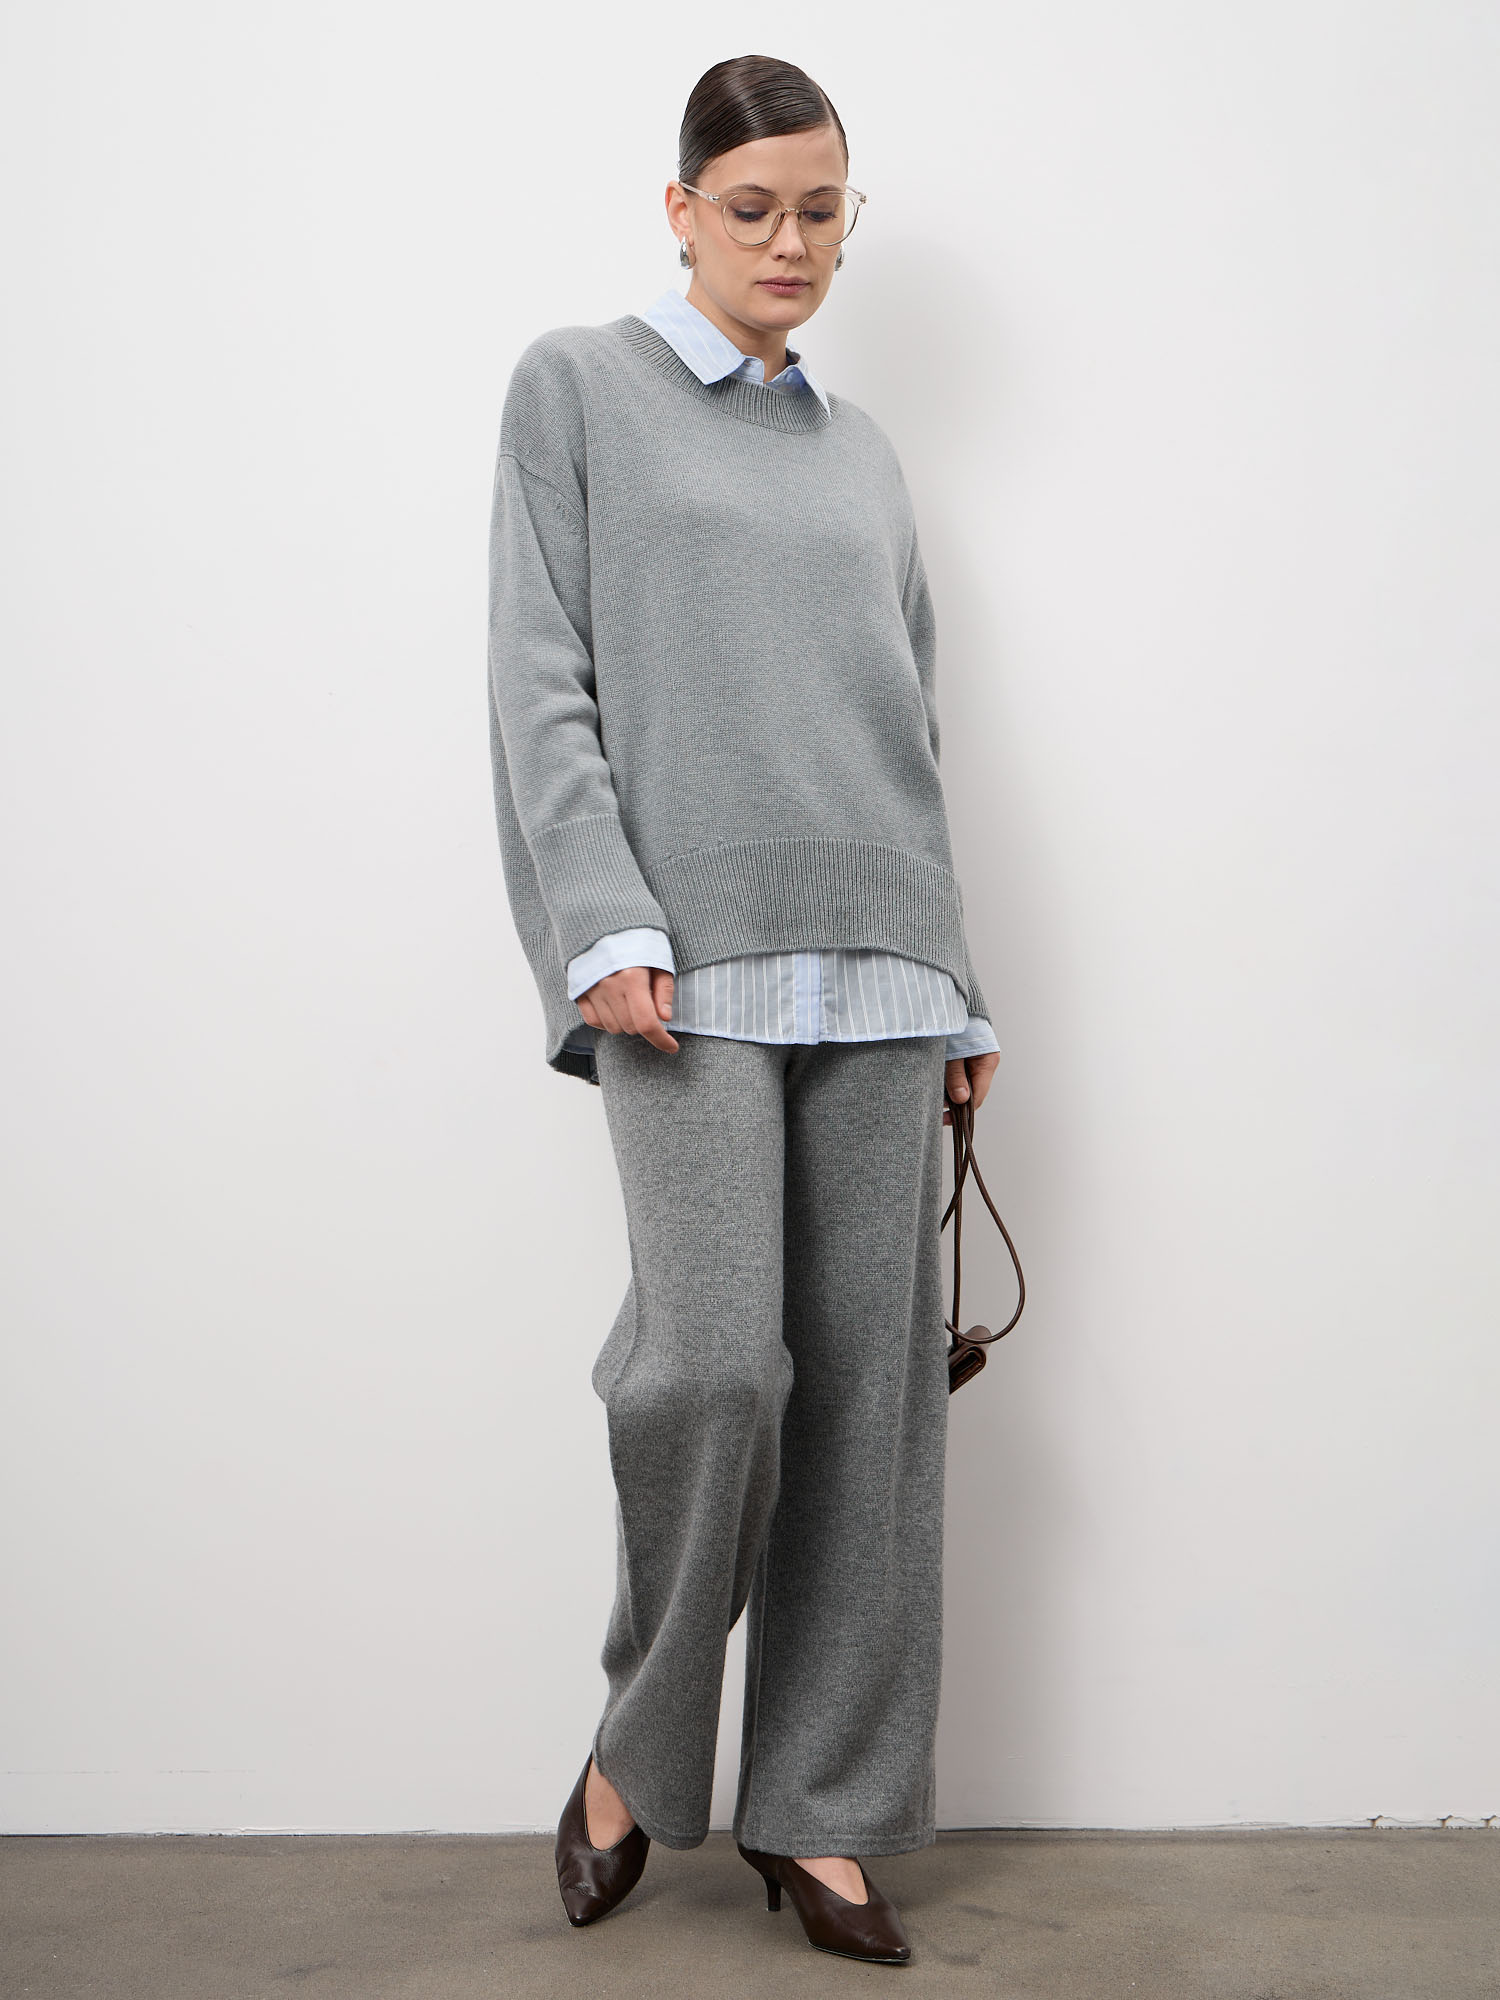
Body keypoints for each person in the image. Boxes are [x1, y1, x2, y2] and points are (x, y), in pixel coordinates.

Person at [487, 53, 1000, 1967]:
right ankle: (640, 1747)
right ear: (683, 210)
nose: (791, 242)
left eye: (822, 211)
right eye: (755, 207)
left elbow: (908, 733)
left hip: (886, 960)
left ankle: (824, 1814)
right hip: (677, 967)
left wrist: (961, 979)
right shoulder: (577, 389)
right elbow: (541, 677)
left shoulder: (864, 456)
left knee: (872, 1408)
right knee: (712, 1368)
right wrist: (596, 917)